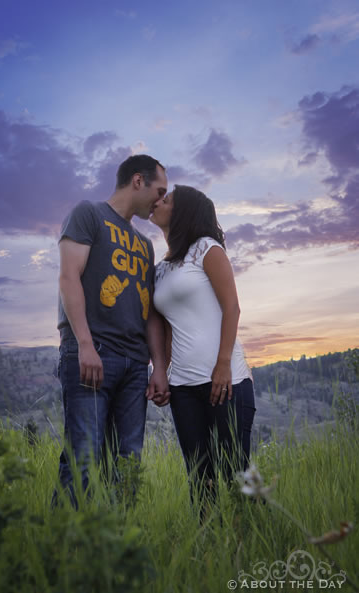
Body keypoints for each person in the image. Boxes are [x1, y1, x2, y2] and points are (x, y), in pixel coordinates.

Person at [52, 154, 170, 508]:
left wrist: (158, 367)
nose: (161, 200)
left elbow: (148, 311)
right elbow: (68, 277)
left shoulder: (144, 245)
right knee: (84, 460)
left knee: (127, 465)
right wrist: (84, 344)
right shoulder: (88, 214)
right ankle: (68, 552)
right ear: (138, 181)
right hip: (93, 354)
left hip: (135, 365)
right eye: (159, 190)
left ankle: (117, 553)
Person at [150, 185, 256, 514]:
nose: (158, 201)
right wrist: (161, 372)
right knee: (199, 476)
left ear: (182, 212)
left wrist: (223, 364)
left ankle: (253, 539)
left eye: (166, 199)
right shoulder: (162, 268)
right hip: (182, 387)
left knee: (235, 474)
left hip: (226, 381)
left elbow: (232, 308)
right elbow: (167, 327)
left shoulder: (207, 250)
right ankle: (209, 552)